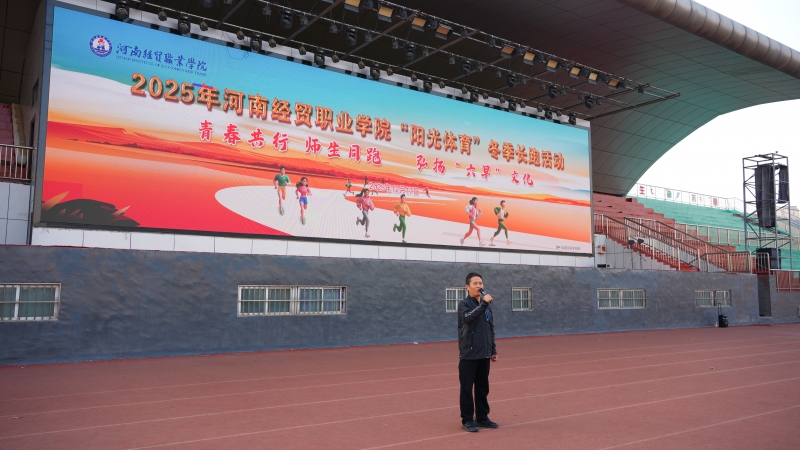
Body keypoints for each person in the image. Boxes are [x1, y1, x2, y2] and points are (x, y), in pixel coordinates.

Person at [458, 272, 498, 433]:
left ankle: (482, 417)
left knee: (482, 388)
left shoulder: (487, 307)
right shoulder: (464, 304)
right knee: (467, 389)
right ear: (467, 287)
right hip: (469, 354)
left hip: (484, 354)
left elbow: (490, 329)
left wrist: (493, 349)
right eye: (475, 283)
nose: (479, 286)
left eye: (480, 283)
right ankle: (467, 419)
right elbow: (468, 318)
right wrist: (484, 305)